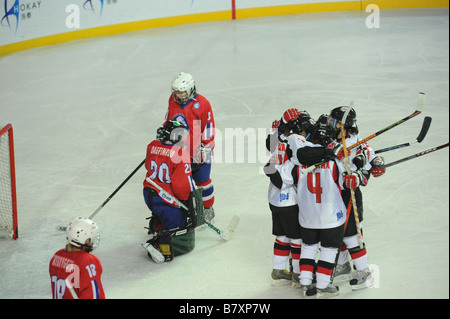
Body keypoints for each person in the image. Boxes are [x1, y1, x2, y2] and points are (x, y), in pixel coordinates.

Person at [270, 118, 348, 298]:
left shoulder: (296, 164)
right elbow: (346, 184)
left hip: (306, 218)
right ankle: (322, 285)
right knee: (328, 249)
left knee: (309, 247)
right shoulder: (335, 161)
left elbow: (276, 176)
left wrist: (273, 161)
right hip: (331, 218)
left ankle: (305, 283)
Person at [326, 106, 386, 290]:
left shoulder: (357, 142)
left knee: (351, 233)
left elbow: (372, 158)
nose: (330, 125)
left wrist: (373, 166)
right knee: (337, 231)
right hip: (332, 193)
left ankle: (364, 272)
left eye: (333, 122)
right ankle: (343, 265)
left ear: (344, 126)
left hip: (348, 195)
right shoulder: (333, 140)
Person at [142, 120, 201, 263]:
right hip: (166, 199)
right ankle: (156, 244)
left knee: (163, 213)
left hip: (149, 192)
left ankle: (158, 223)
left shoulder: (152, 146)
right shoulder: (181, 154)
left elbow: (148, 165)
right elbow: (181, 187)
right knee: (180, 223)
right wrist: (187, 202)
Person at [162, 72, 216, 222]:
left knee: (203, 182)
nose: (178, 95)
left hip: (198, 151)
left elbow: (209, 127)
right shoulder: (172, 101)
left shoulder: (202, 103)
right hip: (179, 150)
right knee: (180, 184)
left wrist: (206, 147)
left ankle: (207, 209)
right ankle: (186, 211)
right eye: (176, 91)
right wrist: (164, 134)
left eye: (182, 91)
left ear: (191, 89)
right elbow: (168, 120)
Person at [264, 108, 303, 286]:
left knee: (281, 236)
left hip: (274, 197)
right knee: (296, 237)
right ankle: (298, 272)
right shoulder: (292, 142)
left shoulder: (277, 137)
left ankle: (278, 269)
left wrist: (275, 130)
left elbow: (270, 147)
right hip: (288, 198)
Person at [49, 217, 105, 299]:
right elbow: (93, 295)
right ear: (83, 240)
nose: (92, 242)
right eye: (90, 240)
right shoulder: (87, 261)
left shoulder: (57, 256)